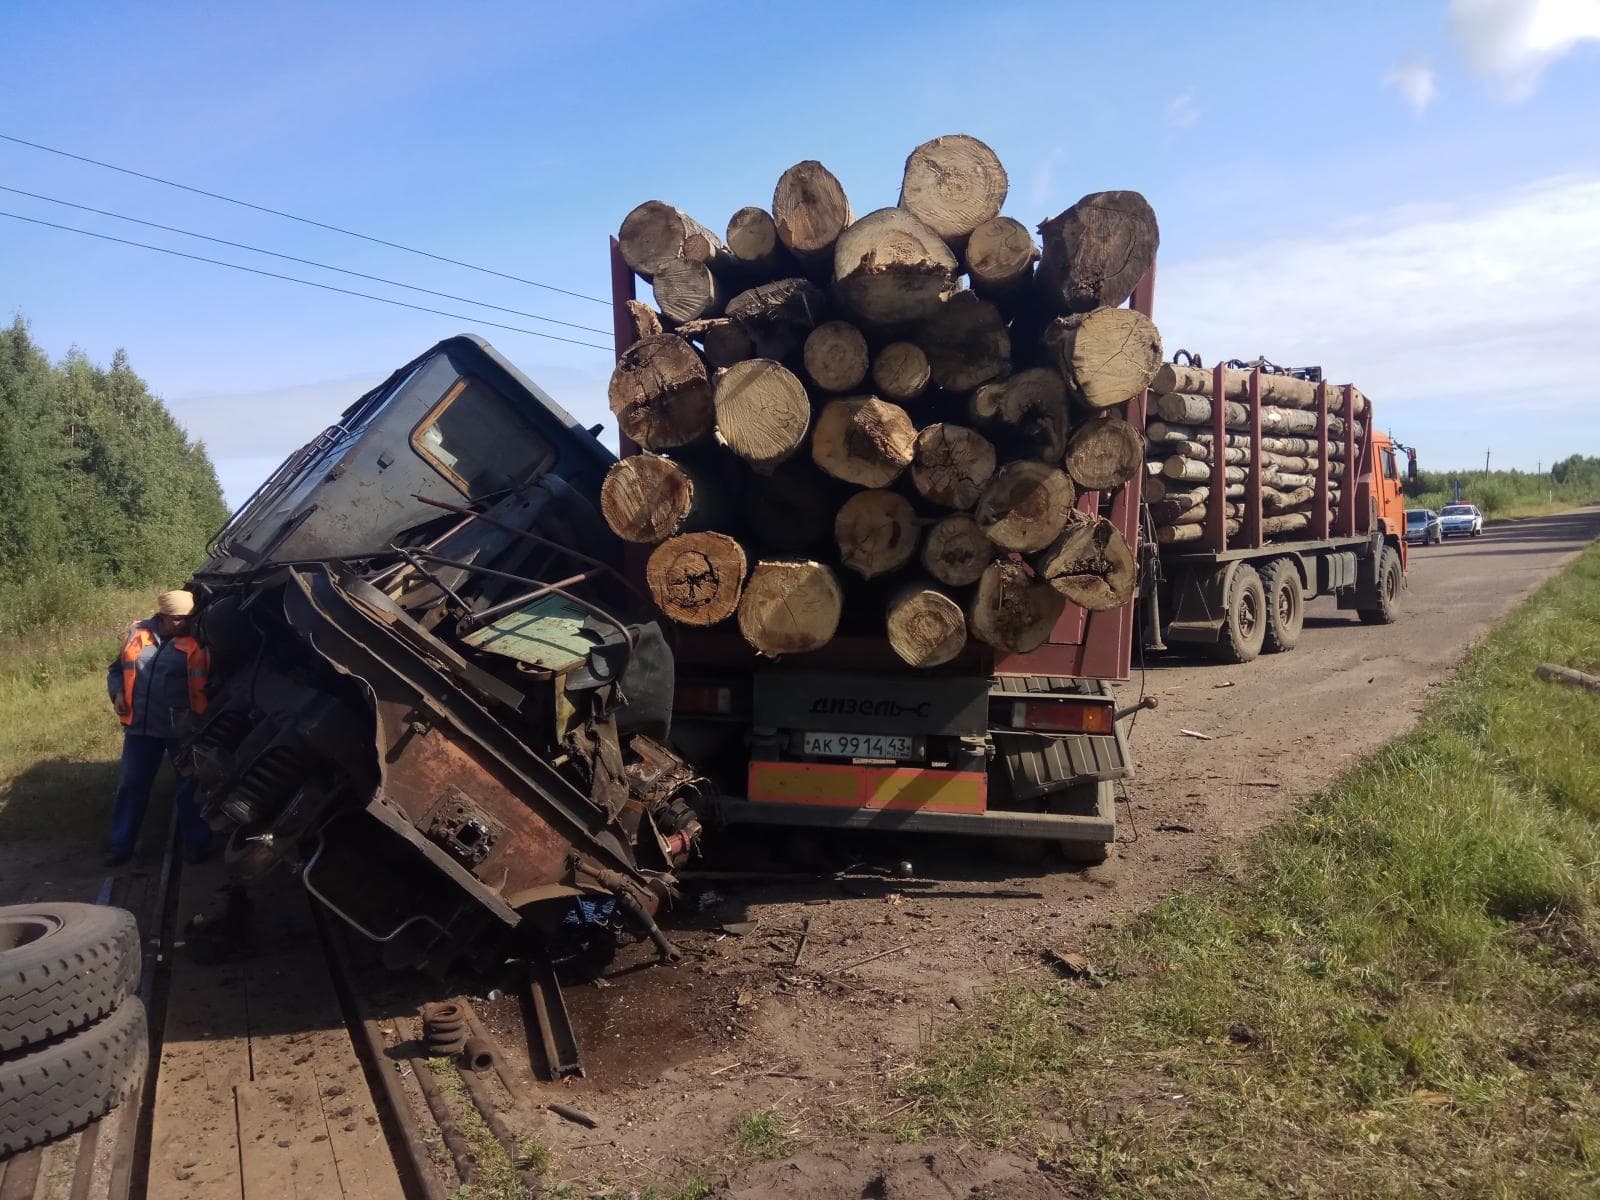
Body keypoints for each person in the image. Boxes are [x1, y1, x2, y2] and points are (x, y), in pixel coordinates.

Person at [104, 589, 213, 868]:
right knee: (131, 784)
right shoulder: (136, 633)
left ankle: (197, 845)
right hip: (140, 728)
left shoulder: (200, 639)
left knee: (188, 787)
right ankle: (120, 847)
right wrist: (116, 692)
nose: (183, 622)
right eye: (177, 618)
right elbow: (116, 670)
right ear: (162, 616)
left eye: (187, 617)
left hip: (182, 729)